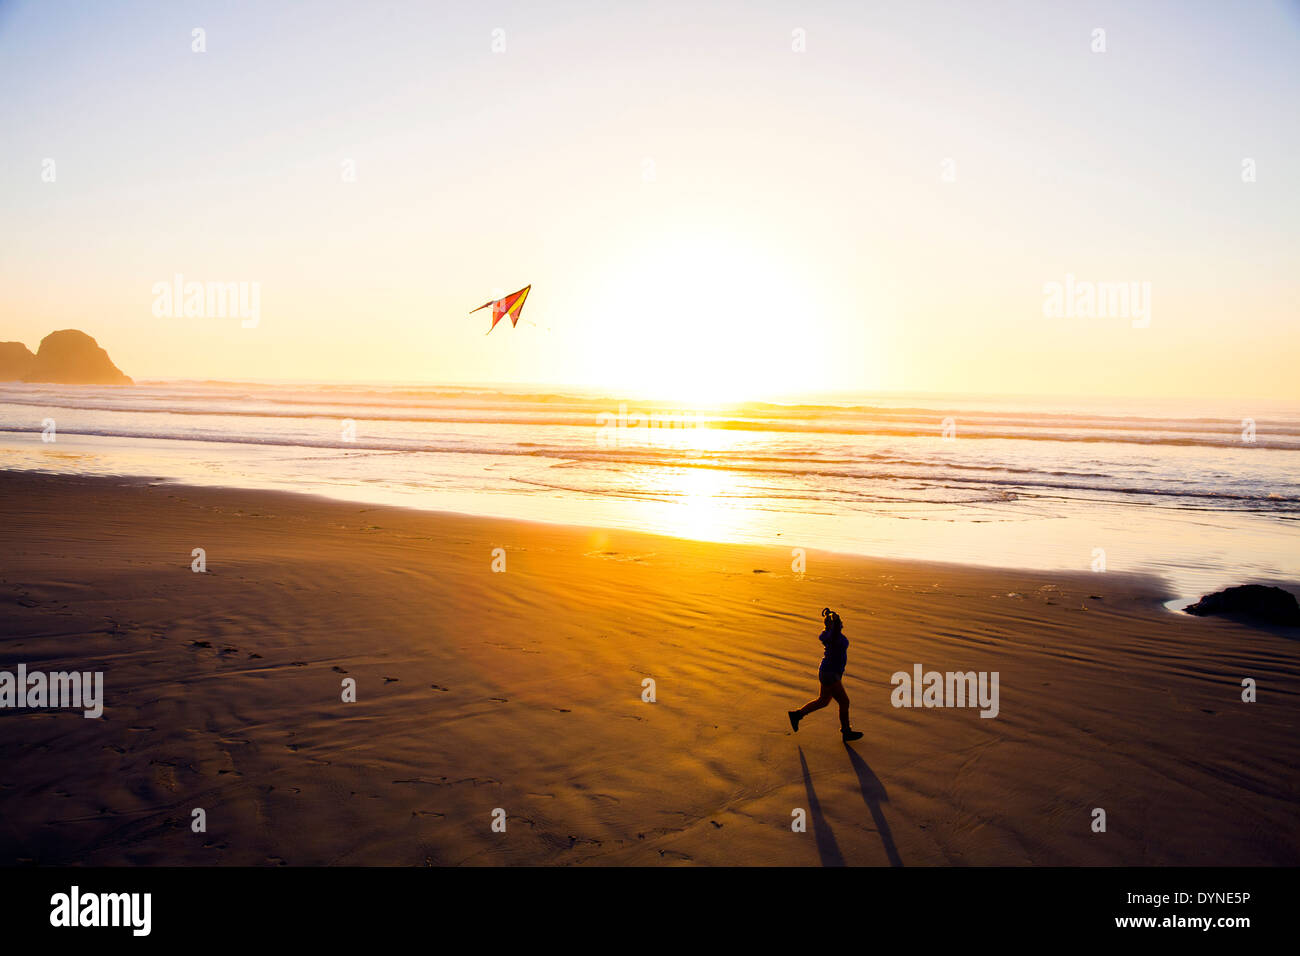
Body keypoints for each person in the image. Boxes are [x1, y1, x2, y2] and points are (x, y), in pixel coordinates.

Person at [788, 608, 863, 741]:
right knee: (844, 702)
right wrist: (834, 622)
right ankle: (846, 731)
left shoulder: (828, 634)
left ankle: (797, 715)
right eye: (839, 623)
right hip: (830, 673)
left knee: (823, 701)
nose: (842, 624)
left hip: (827, 671)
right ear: (834, 626)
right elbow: (835, 634)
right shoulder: (834, 637)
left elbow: (833, 633)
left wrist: (832, 621)